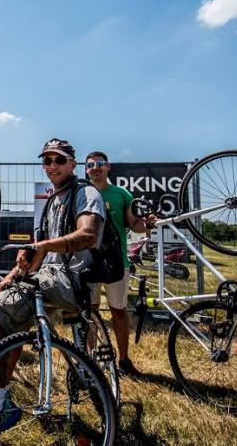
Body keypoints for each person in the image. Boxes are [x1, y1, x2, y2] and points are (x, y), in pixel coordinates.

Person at [0, 138, 106, 441]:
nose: (52, 167)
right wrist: (11, 275)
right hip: (50, 275)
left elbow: (88, 235)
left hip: (72, 279)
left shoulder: (85, 192)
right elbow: (38, 253)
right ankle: (0, 400)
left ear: (73, 164)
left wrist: (44, 246)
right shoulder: (51, 200)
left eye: (59, 161)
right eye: (46, 161)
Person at [85, 150, 153, 377]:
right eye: (91, 164)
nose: (95, 167)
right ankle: (88, 360)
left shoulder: (122, 193)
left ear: (108, 167)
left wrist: (149, 224)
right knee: (90, 313)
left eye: (100, 163)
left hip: (116, 262)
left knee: (119, 312)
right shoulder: (81, 193)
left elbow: (134, 225)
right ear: (86, 170)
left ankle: (123, 360)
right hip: (87, 263)